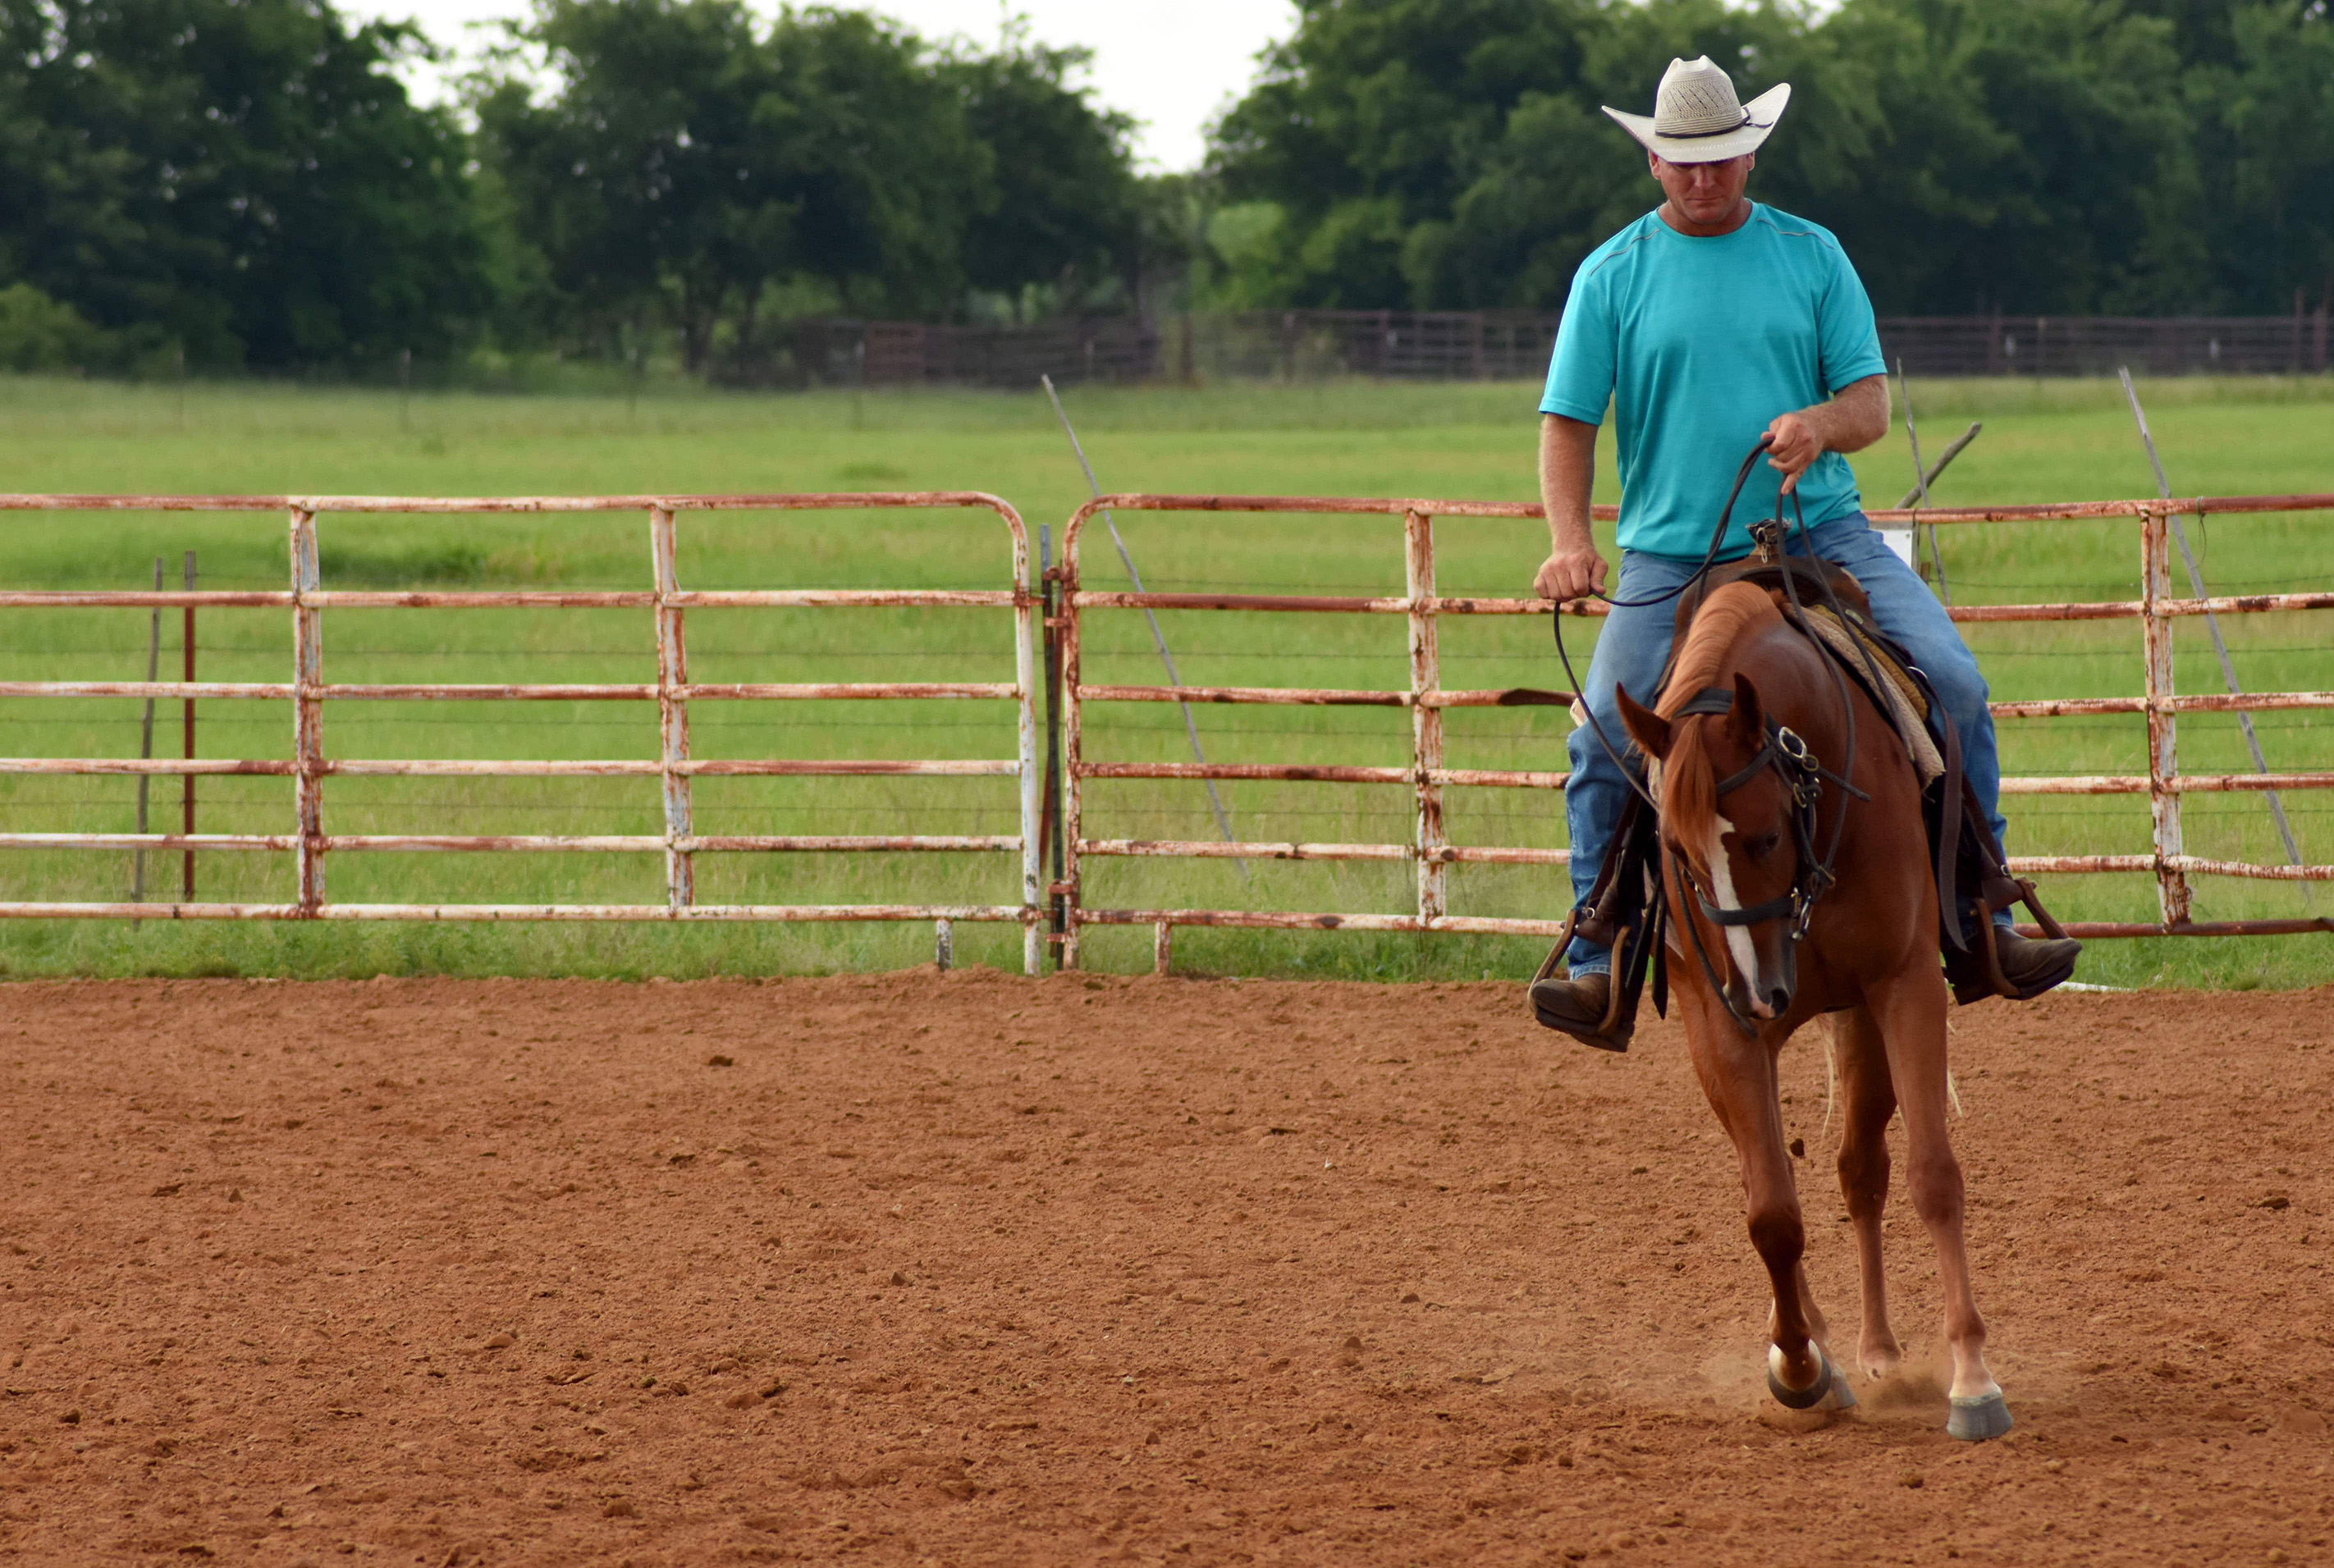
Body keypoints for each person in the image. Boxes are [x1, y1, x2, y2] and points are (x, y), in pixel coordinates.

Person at [1526, 55, 2080, 1044]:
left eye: (1723, 160)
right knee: (1603, 736)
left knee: (1953, 684)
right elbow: (1567, 422)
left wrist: (1821, 426)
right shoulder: (1611, 275)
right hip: (1668, 557)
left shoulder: (1814, 255)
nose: (1704, 179)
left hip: (1820, 536)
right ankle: (1596, 949)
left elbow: (1870, 405)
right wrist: (1572, 544)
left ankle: (1982, 912)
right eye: (1684, 162)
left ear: (1752, 152)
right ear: (1653, 159)